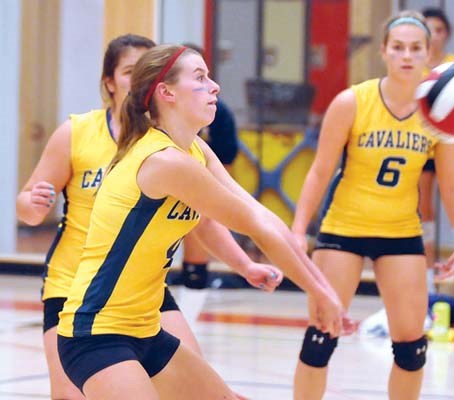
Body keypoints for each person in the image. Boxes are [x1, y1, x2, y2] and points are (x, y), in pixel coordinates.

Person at [56, 44, 351, 399]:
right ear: (166, 93)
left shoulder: (195, 149)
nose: (215, 86)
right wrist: (321, 292)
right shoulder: (165, 161)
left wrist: (304, 284)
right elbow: (255, 225)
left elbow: (257, 218)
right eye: (200, 78)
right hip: (96, 334)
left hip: (145, 329)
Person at [16, 34, 278, 400]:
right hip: (75, 289)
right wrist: (34, 204)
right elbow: (26, 205)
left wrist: (244, 264)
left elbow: (202, 218)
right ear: (110, 82)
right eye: (129, 70)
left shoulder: (174, 146)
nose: (140, 77)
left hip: (140, 291)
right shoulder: (78, 132)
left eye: (146, 69)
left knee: (198, 385)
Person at [291, 11, 454, 400]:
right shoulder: (352, 101)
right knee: (321, 337)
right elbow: (320, 171)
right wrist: (296, 229)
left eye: (415, 49)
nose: (407, 56)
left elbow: (452, 186)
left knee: (412, 348)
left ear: (429, 54)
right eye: (398, 48)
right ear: (384, 53)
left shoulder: (438, 115)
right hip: (343, 229)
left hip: (400, 233)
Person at [169, 43, 240, 326]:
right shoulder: (152, 115)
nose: (209, 85)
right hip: (159, 189)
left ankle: (188, 321)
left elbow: (227, 162)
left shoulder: (218, 113)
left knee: (199, 244)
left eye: (203, 76)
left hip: (198, 191)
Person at [419, 7, 454, 282]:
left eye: (439, 30)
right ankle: (427, 271)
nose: (434, 36)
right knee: (424, 213)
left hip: (452, 147)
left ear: (446, 34)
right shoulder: (414, 67)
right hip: (422, 149)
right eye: (429, 30)